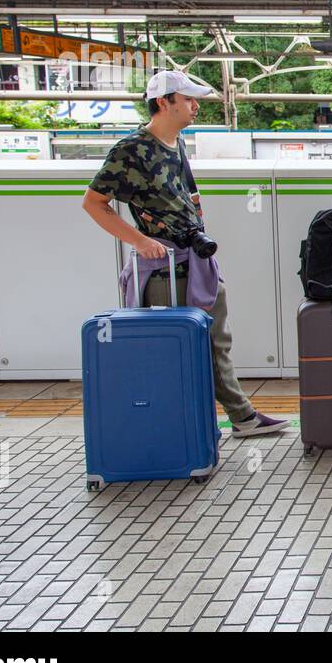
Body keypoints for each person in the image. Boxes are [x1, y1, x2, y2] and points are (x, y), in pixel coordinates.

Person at [82, 70, 288, 438]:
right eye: (188, 99)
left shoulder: (174, 144)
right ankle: (186, 425)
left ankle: (236, 417)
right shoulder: (132, 150)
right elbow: (94, 203)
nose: (195, 107)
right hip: (164, 272)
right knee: (177, 351)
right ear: (163, 102)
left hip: (193, 261)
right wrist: (139, 241)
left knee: (213, 342)